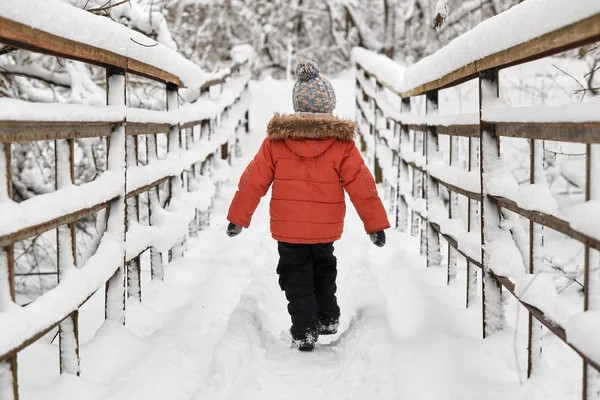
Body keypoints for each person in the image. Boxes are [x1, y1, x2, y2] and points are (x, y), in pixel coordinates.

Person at [226, 59, 390, 351]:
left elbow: (253, 181)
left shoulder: (276, 143)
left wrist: (238, 218)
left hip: (288, 228)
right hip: (325, 227)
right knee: (324, 267)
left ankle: (304, 329)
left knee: (296, 274)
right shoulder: (342, 144)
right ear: (328, 107)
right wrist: (374, 224)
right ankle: (327, 317)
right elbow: (362, 185)